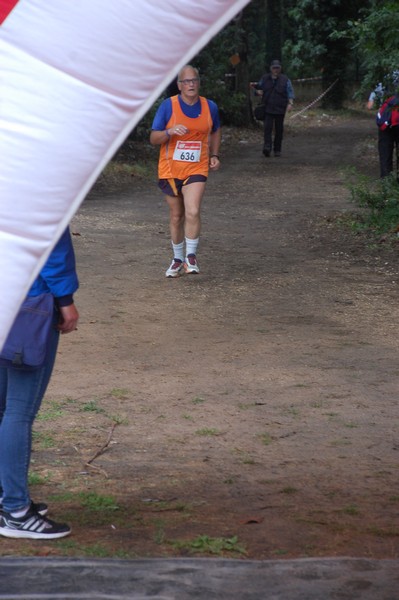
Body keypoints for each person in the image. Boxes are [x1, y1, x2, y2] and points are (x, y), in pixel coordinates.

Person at [0, 227, 79, 539]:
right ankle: (16, 511)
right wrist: (65, 298)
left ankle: (8, 501)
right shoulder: (38, 184)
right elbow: (49, 242)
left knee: (4, 407)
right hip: (30, 302)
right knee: (18, 412)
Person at [150, 65, 221, 278]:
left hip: (197, 166)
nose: (191, 84)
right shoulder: (168, 106)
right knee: (176, 215)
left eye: (194, 80)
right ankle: (177, 258)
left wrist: (215, 155)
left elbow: (216, 130)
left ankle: (191, 256)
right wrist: (169, 132)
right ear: (179, 86)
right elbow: (154, 138)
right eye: (186, 81)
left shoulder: (210, 107)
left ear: (199, 83)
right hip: (171, 168)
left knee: (192, 210)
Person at [250, 59, 295, 157]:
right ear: (271, 69)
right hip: (267, 108)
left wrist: (290, 103)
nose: (276, 70)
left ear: (280, 69)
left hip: (280, 108)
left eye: (277, 68)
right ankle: (267, 148)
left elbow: (290, 92)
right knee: (267, 129)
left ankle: (277, 150)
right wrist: (257, 92)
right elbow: (257, 88)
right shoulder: (265, 78)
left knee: (279, 130)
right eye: (274, 68)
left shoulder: (285, 79)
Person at [367, 71, 399, 178]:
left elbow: (371, 103)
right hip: (396, 120)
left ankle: (386, 183)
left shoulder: (387, 77)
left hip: (385, 120)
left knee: (385, 152)